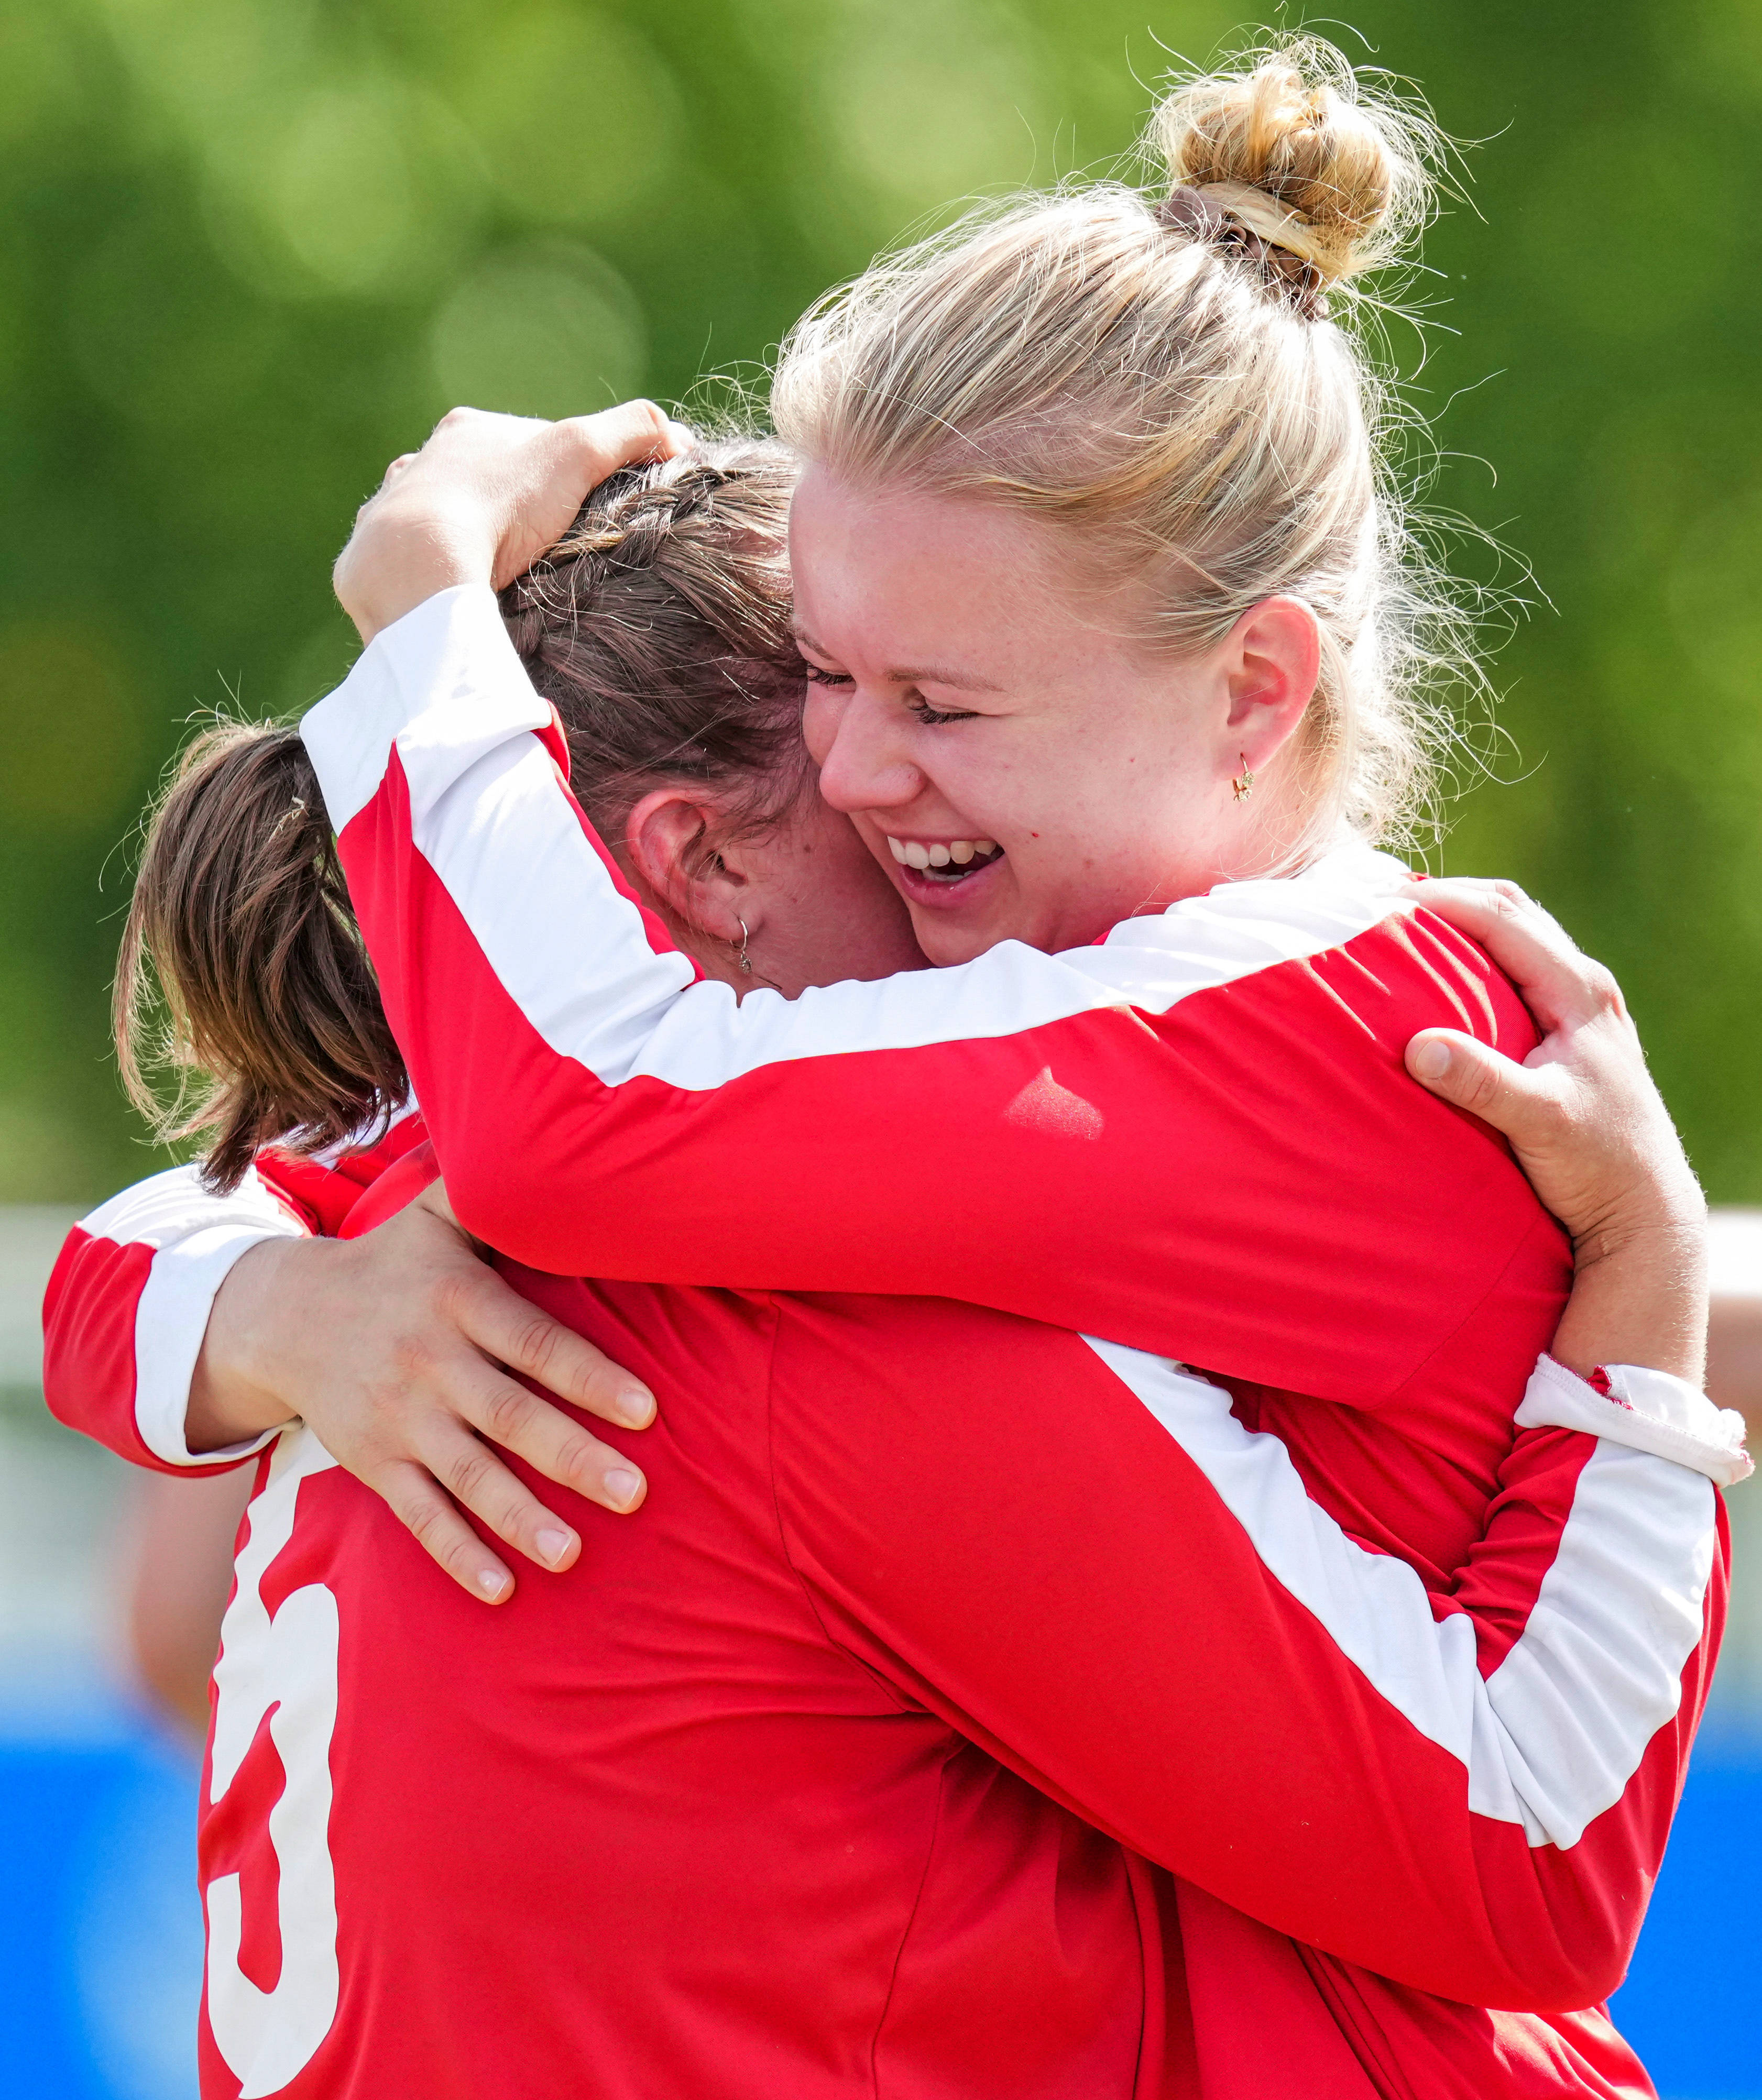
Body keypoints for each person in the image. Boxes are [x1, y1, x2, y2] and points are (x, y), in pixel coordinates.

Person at [45, 49, 1743, 2100]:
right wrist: (1648, 1288)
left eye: (937, 705)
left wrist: (262, 1299)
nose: (868, 774)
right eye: (837, 690)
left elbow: (178, 1282)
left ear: (1253, 684)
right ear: (682, 868)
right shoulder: (804, 1310)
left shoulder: (467, 1219)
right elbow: (1527, 1866)